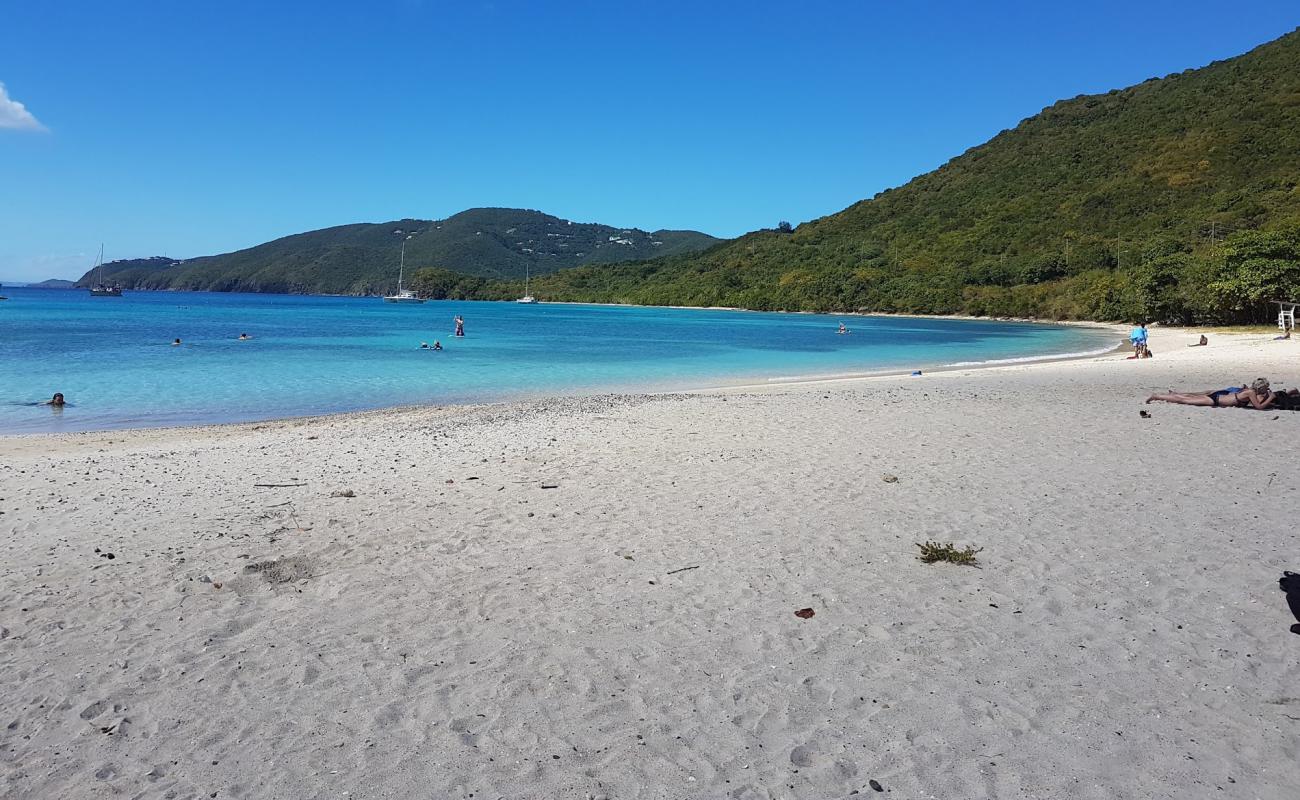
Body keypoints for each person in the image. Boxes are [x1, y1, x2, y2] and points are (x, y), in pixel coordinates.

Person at [1146, 378, 1276, 409]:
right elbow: (1259, 407)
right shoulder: (1251, 393)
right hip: (1216, 400)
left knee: (1185, 397)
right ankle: (1156, 396)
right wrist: (1270, 398)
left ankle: (1159, 396)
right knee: (1184, 400)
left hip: (1218, 397)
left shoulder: (1249, 391)